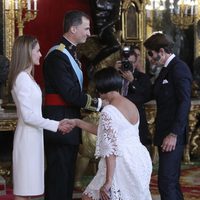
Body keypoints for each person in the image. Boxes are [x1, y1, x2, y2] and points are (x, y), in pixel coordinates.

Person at [43, 10, 102, 200]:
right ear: (73, 28)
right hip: (60, 121)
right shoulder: (57, 55)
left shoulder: (70, 52)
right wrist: (99, 104)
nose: (88, 32)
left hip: (68, 119)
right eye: (86, 28)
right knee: (59, 177)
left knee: (67, 176)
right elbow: (69, 93)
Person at [69, 67, 152, 200]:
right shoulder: (131, 104)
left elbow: (110, 150)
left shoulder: (109, 110)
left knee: (88, 197)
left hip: (120, 162)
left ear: (101, 87)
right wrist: (78, 123)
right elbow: (107, 132)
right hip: (139, 158)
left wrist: (108, 180)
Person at [8, 35, 72, 200]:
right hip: (27, 138)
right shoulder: (22, 78)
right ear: (28, 52)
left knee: (31, 189)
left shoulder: (27, 77)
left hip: (34, 136)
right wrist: (56, 125)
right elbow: (29, 116)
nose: (40, 54)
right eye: (37, 50)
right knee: (24, 190)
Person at [143, 32, 192, 200]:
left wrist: (173, 134)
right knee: (169, 181)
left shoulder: (179, 68)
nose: (149, 58)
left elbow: (184, 102)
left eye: (150, 53)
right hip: (164, 132)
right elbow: (152, 93)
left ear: (161, 51)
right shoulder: (166, 69)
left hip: (172, 135)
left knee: (166, 181)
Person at [115, 45, 152, 146]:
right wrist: (113, 73)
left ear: (136, 63)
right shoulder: (114, 76)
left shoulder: (142, 78)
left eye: (131, 63)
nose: (127, 65)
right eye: (125, 62)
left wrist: (132, 81)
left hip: (135, 119)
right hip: (117, 117)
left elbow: (144, 96)